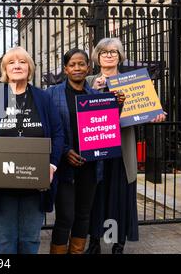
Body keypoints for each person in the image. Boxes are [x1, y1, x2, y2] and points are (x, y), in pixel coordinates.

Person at [0, 46, 64, 254]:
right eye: (12, 62)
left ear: (30, 68)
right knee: (5, 240)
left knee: (30, 239)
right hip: (1, 181)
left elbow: (58, 133)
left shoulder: (43, 98)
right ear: (5, 69)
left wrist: (52, 165)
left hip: (35, 183)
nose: (17, 65)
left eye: (22, 61)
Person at [85, 37, 166, 254]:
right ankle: (94, 242)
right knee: (96, 195)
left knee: (118, 196)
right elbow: (78, 108)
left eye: (114, 52)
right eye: (104, 52)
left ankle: (117, 243)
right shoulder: (89, 80)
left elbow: (145, 107)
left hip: (121, 149)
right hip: (96, 148)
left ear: (120, 56)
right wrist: (94, 89)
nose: (109, 55)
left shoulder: (132, 81)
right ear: (98, 56)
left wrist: (155, 115)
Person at [47, 48, 124, 254]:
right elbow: (49, 129)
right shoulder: (52, 94)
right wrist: (64, 151)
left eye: (81, 64)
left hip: (90, 166)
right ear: (66, 69)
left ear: (89, 67)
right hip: (64, 167)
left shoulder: (96, 96)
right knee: (65, 216)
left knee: (83, 216)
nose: (77, 68)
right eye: (72, 64)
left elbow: (106, 129)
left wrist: (117, 108)